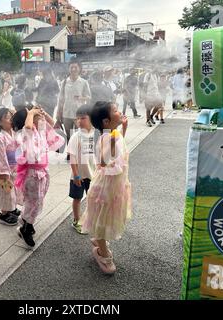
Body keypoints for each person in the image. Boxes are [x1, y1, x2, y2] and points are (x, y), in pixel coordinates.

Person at [80, 101, 132, 274]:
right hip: (105, 188)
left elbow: (121, 146)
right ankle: (102, 252)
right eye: (115, 110)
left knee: (107, 216)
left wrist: (124, 128)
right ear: (106, 122)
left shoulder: (114, 133)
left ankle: (98, 240)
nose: (119, 112)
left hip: (115, 186)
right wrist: (111, 143)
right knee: (102, 220)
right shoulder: (105, 138)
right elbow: (102, 161)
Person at [11, 106, 65, 247]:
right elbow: (28, 126)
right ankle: (25, 228)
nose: (39, 118)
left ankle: (26, 221)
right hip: (32, 174)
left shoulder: (39, 131)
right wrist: (31, 113)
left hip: (42, 172)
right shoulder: (25, 133)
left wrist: (44, 114)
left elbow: (54, 124)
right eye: (35, 116)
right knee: (34, 201)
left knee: (37, 200)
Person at [0, 108, 21, 226]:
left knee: (14, 191)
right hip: (5, 170)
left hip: (15, 167)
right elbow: (0, 155)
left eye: (10, 116)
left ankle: (11, 208)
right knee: (6, 193)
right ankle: (4, 214)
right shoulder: (0, 138)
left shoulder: (14, 132)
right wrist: (4, 171)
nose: (10, 120)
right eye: (7, 118)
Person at [67, 105, 96, 234]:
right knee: (77, 198)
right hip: (78, 175)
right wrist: (76, 175)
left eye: (83, 118)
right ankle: (76, 220)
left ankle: (90, 219)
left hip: (92, 173)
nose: (79, 121)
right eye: (77, 119)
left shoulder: (96, 133)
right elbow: (72, 158)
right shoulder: (76, 137)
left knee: (92, 197)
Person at [57, 60, 91, 140]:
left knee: (78, 136)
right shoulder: (64, 82)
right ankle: (69, 152)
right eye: (71, 67)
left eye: (75, 67)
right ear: (69, 69)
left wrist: (81, 98)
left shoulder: (84, 82)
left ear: (79, 68)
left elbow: (89, 97)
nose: (73, 69)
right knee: (69, 136)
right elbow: (61, 99)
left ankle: (78, 152)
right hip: (66, 114)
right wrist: (59, 113)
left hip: (79, 114)